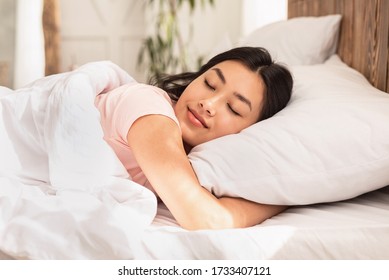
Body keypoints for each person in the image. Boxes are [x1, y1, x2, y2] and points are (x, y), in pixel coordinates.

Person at [95, 47, 293, 230]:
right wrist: (279, 201)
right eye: (210, 84)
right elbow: (203, 217)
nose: (208, 103)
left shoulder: (197, 160)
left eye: (233, 108)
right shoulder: (149, 108)